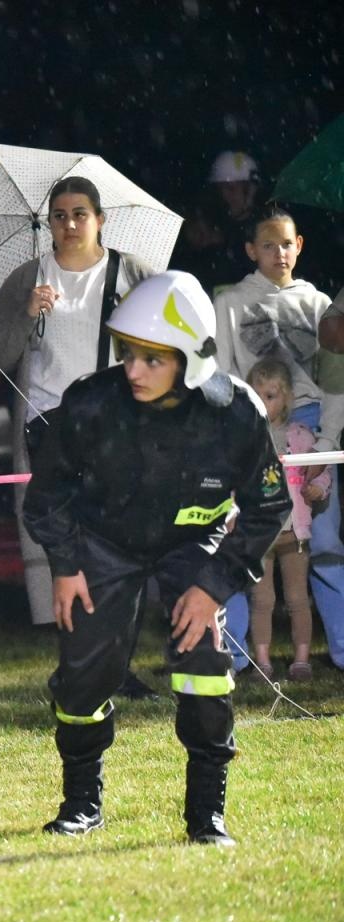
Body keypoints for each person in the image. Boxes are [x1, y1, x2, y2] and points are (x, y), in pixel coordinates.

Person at [23, 271, 288, 848]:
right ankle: (81, 804)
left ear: (191, 359)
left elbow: (269, 507)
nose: (133, 371)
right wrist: (65, 566)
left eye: (152, 359)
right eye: (128, 354)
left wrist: (214, 585)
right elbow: (46, 496)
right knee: (83, 679)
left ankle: (206, 816)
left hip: (193, 547)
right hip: (101, 545)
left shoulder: (237, 412)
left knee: (204, 670)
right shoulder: (90, 402)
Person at [0, 177, 153, 649]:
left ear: (101, 220)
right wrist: (24, 313)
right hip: (49, 424)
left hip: (120, 423)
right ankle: (81, 659)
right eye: (59, 216)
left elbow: (171, 341)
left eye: (80, 214)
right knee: (67, 547)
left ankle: (116, 660)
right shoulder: (28, 276)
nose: (70, 224)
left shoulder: (132, 272)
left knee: (119, 543)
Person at [211, 206, 344, 673]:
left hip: (308, 428)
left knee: (322, 542)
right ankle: (235, 652)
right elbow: (220, 375)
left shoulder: (319, 303)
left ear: (299, 245)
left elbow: (334, 381)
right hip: (254, 427)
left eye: (287, 243)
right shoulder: (229, 303)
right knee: (242, 536)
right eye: (268, 245)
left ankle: (340, 646)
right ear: (251, 250)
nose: (279, 253)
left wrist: (326, 442)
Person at [243, 359, 329, 681]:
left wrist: (317, 488)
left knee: (297, 599)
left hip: (295, 534)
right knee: (261, 599)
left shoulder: (301, 437)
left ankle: (301, 660)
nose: (264, 403)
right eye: (257, 395)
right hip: (260, 536)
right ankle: (263, 661)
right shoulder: (247, 439)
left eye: (270, 396)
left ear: (287, 397)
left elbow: (322, 470)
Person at [175, 151, 264, 293]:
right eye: (221, 189)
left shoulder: (267, 229)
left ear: (251, 190)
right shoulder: (210, 226)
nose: (226, 195)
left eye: (232, 188)